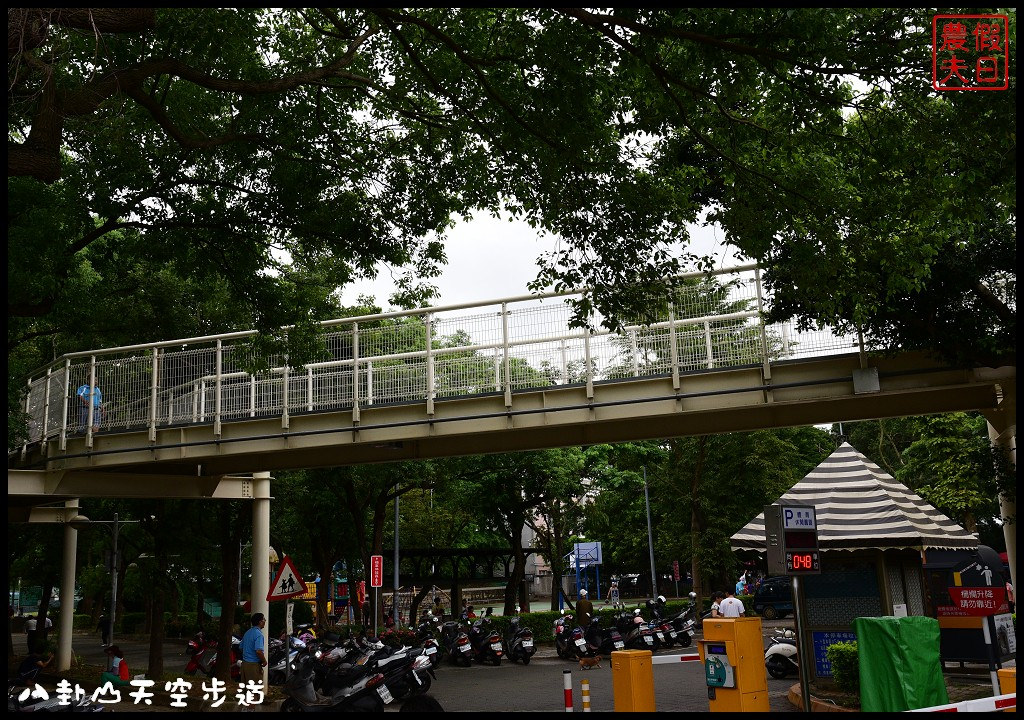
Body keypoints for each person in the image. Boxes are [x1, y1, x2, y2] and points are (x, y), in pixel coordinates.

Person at [240, 612, 268, 695]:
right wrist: (264, 661)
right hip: (253, 666)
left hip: (245, 664)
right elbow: (258, 651)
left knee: (246, 691)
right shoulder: (259, 635)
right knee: (254, 692)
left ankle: (245, 708)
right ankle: (251, 708)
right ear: (260, 622)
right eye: (264, 619)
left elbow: (241, 647)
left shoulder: (247, 633)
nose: (265, 621)